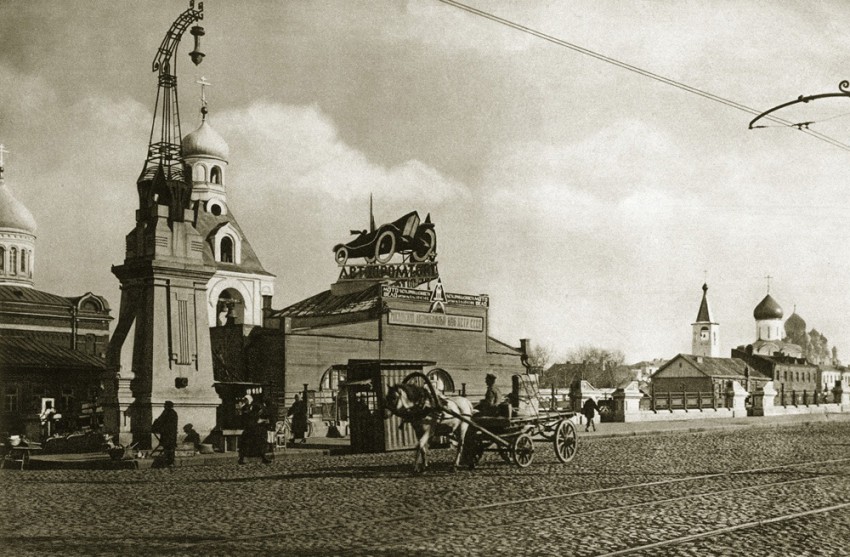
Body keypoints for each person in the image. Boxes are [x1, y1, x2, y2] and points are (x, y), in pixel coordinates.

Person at [238, 395, 271, 464]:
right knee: (245, 444)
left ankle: (263, 458)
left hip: (254, 429)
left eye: (246, 400)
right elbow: (249, 418)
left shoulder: (253, 407)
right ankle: (241, 459)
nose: (245, 401)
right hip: (249, 429)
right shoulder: (245, 408)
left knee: (259, 443)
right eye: (245, 400)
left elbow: (256, 417)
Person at [152, 401, 178, 466]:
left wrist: (154, 426)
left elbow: (160, 420)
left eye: (165, 405)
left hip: (167, 433)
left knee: (167, 447)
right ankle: (170, 461)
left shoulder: (166, 412)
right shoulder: (174, 413)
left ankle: (168, 461)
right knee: (171, 447)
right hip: (172, 433)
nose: (164, 406)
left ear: (167, 406)